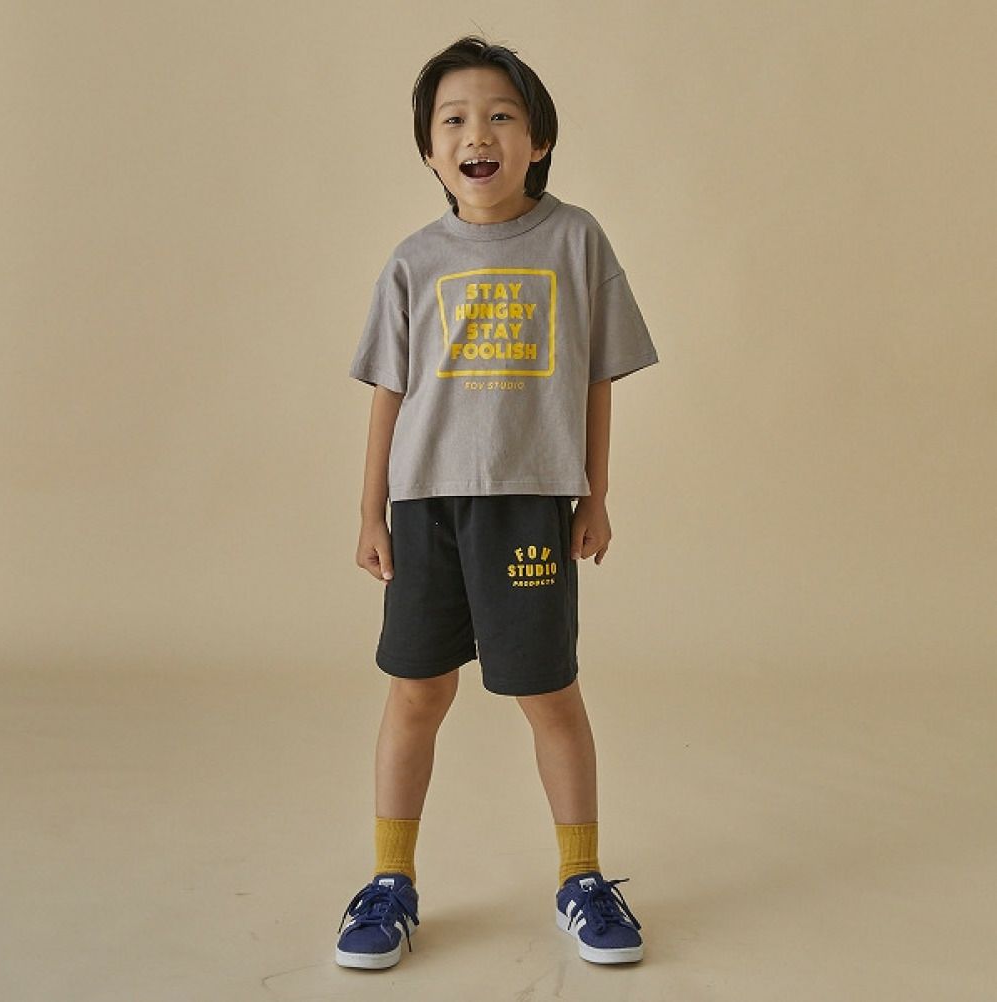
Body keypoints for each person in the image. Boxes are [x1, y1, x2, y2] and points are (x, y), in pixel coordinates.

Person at [336, 35, 658, 970]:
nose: (477, 134)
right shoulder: (414, 259)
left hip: (528, 506)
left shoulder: (575, 239)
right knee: (416, 691)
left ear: (538, 140)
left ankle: (581, 877)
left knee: (548, 691)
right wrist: (370, 512)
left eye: (501, 116)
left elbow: (597, 377)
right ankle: (390, 881)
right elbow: (389, 393)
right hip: (425, 507)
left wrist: (594, 493)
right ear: (429, 151)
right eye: (454, 120)